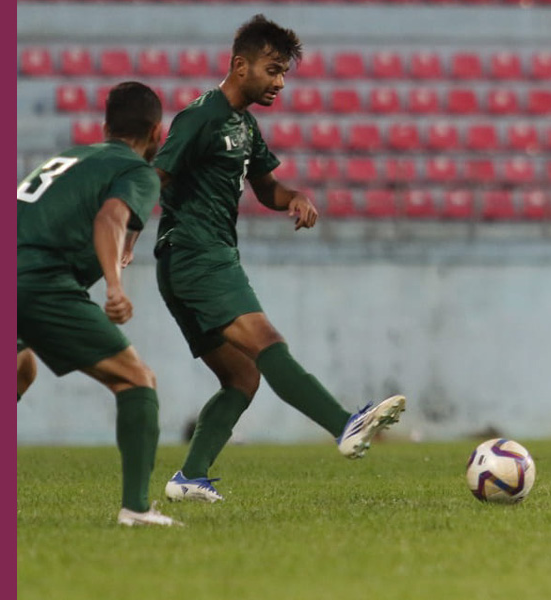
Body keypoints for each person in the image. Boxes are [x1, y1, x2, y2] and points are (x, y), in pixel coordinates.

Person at [153, 14, 405, 503]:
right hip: (195, 253)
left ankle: (188, 478)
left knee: (242, 377)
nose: (280, 82)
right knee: (266, 341)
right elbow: (157, 176)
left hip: (197, 259)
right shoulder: (200, 117)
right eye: (272, 70)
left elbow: (266, 187)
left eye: (284, 72)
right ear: (239, 64)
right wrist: (123, 232)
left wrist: (293, 198)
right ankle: (343, 425)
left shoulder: (244, 126)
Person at [17, 81, 180, 526]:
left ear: (105, 126)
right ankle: (137, 509)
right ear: (157, 133)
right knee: (137, 380)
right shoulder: (138, 172)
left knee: (20, 367)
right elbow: (110, 217)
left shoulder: (70, 157)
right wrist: (113, 285)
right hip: (37, 281)